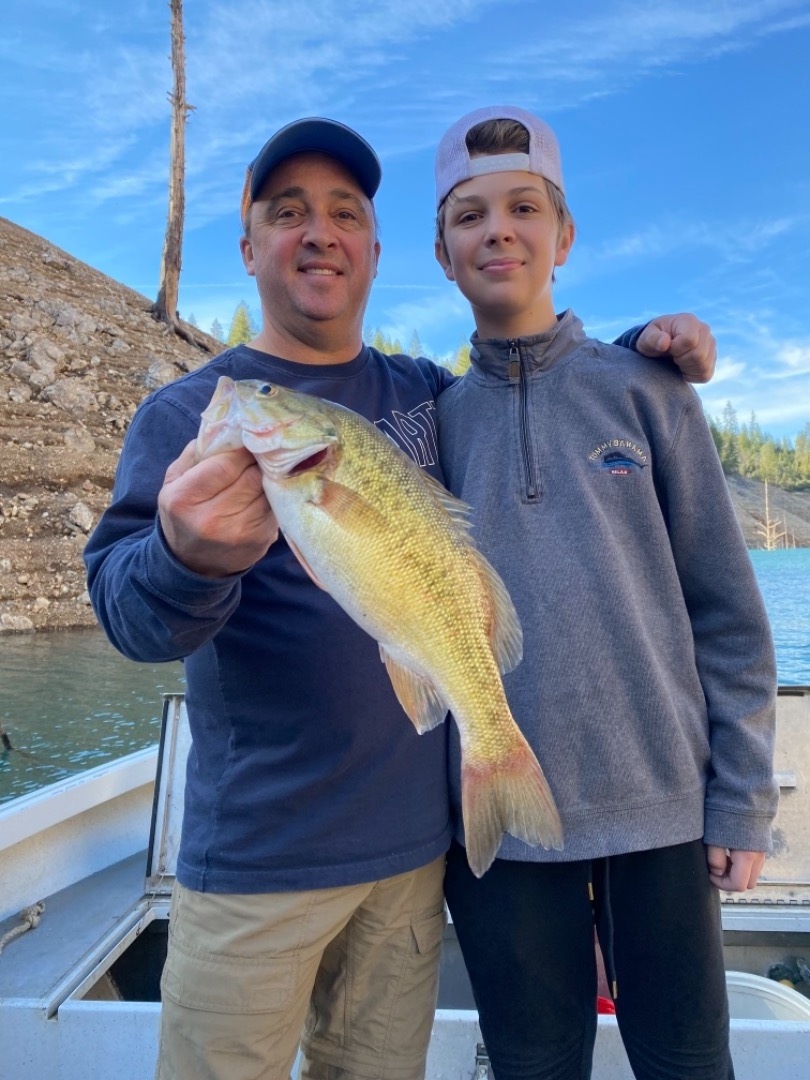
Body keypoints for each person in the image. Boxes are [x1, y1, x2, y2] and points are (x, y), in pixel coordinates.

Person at [84, 116, 718, 1080]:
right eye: (287, 212)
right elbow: (125, 610)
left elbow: (531, 387)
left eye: (344, 213)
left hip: (413, 867)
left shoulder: (426, 394)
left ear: (377, 251)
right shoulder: (191, 413)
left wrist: (640, 355)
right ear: (249, 245)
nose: (319, 232)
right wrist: (184, 554)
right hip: (257, 865)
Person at [433, 105, 778, 1080]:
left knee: (687, 1063)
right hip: (498, 833)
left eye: (524, 206)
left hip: (661, 813)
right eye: (469, 214)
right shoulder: (431, 421)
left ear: (565, 235)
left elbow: (727, 612)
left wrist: (742, 796)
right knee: (535, 1066)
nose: (498, 229)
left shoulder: (650, 390)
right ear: (442, 251)